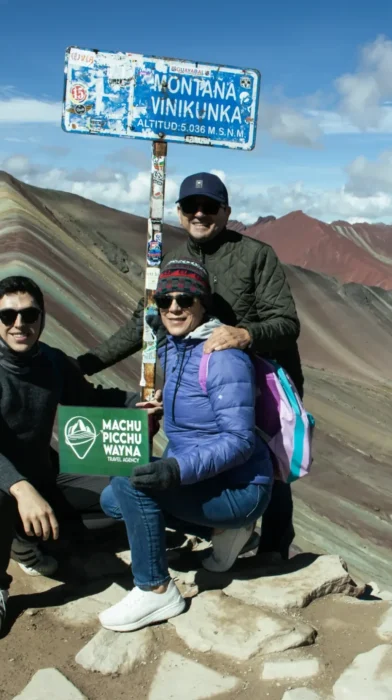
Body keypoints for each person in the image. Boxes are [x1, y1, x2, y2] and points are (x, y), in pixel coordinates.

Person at [77, 172, 303, 560]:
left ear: (226, 211)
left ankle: (273, 551)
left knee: (271, 468)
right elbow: (142, 323)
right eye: (190, 207)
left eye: (210, 207)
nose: (200, 214)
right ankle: (225, 529)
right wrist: (84, 364)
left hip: (261, 384)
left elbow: (287, 323)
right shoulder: (173, 259)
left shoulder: (255, 255)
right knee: (197, 457)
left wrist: (245, 334)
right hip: (201, 384)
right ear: (179, 212)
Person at [98, 260, 274, 632]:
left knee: (132, 488)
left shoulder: (223, 357)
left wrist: (174, 470)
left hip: (240, 486)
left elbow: (240, 441)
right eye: (165, 301)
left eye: (185, 299)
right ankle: (225, 533)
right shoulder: (173, 348)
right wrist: (157, 411)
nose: (174, 308)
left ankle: (156, 588)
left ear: (202, 304)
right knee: (113, 500)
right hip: (204, 478)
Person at [0, 276, 152, 633]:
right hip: (7, 484)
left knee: (126, 492)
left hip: (44, 476)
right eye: (7, 316)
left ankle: (26, 537)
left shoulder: (51, 362)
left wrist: (139, 405)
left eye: (29, 314)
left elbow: (92, 399)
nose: (19, 324)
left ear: (42, 317)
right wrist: (20, 489)